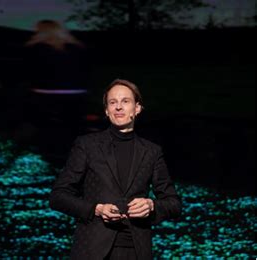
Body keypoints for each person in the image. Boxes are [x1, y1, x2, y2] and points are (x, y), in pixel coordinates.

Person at [49, 79, 182, 259]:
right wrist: (96, 209)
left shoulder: (151, 152)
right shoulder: (87, 146)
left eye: (125, 101)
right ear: (107, 111)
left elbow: (173, 203)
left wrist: (151, 205)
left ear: (137, 109)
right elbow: (58, 196)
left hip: (136, 250)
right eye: (113, 102)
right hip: (93, 250)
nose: (118, 107)